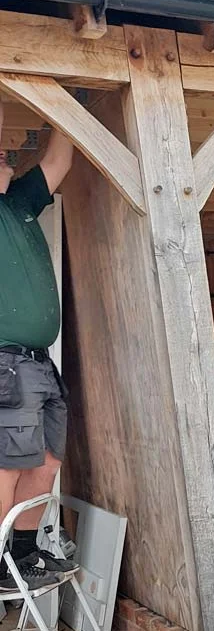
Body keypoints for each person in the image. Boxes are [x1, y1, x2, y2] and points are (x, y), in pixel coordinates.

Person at [0, 105, 78, 591]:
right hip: (5, 361)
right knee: (7, 465)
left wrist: (65, 108)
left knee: (48, 462)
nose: (8, 158)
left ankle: (23, 557)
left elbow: (58, 161)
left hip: (39, 364)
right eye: (0, 155)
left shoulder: (18, 204)